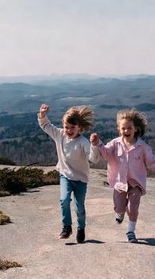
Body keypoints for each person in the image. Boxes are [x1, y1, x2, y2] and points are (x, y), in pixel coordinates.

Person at [90, 109, 155, 243]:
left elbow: (152, 161)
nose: (126, 131)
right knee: (120, 207)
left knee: (132, 208)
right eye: (123, 128)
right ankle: (120, 213)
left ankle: (131, 232)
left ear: (136, 129)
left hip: (136, 183)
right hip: (119, 183)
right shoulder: (115, 144)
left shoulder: (142, 147)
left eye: (129, 128)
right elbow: (105, 154)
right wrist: (97, 143)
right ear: (119, 130)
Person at [38, 103, 95, 244]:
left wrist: (94, 146)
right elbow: (46, 126)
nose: (69, 130)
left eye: (72, 128)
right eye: (66, 127)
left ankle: (81, 228)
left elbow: (92, 158)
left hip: (80, 179)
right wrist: (42, 115)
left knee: (79, 207)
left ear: (79, 128)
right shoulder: (59, 135)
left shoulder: (83, 142)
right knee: (64, 200)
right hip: (65, 175)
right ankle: (67, 227)